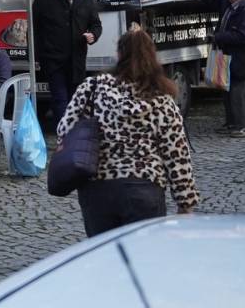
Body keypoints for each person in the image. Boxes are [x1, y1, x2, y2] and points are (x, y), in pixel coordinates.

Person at [58, 28, 198, 237]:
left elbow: (64, 129)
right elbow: (176, 154)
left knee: (104, 257)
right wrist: (185, 203)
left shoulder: (92, 88)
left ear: (119, 54)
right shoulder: (162, 101)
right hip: (145, 189)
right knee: (143, 261)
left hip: (98, 188)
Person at [183, 0, 245, 137]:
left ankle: (242, 125)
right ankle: (231, 123)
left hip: (240, 57)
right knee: (227, 89)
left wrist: (218, 37)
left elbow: (243, 36)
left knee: (239, 92)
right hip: (227, 55)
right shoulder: (229, 2)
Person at [32, 0, 102, 122]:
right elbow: (34, 29)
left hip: (77, 59)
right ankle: (64, 136)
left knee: (75, 99)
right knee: (59, 99)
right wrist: (38, 55)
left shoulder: (86, 0)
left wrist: (93, 35)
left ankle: (73, 135)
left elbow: (96, 25)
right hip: (53, 60)